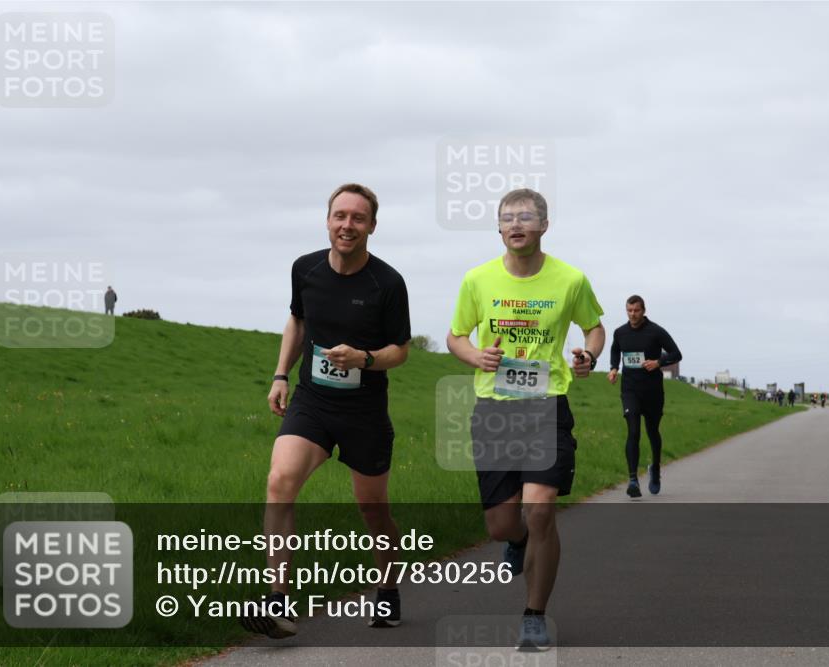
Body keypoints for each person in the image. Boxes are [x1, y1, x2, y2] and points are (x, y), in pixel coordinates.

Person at [240, 184, 411, 639]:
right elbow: (297, 319)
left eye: (358, 218)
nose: (347, 225)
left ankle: (389, 586)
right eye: (340, 216)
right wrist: (280, 374)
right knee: (279, 482)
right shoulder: (306, 268)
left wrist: (365, 359)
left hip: (365, 411)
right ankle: (277, 600)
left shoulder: (387, 283)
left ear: (372, 226)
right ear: (327, 220)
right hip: (313, 402)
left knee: (372, 510)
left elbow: (401, 350)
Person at [447, 188, 604, 651]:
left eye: (527, 218)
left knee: (540, 510)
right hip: (495, 409)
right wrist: (476, 355)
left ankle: (534, 614)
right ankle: (514, 541)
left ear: (544, 226)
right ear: (498, 228)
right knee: (501, 525)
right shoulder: (477, 280)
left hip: (546, 406)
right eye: (508, 218)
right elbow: (456, 336)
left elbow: (594, 326)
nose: (517, 225)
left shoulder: (570, 279)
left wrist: (588, 356)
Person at [607, 295, 682, 498]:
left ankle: (655, 469)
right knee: (633, 431)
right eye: (629, 311)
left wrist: (658, 362)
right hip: (630, 390)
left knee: (652, 432)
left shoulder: (656, 331)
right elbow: (615, 350)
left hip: (652, 391)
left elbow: (676, 353)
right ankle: (632, 480)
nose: (633, 314)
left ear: (643, 310)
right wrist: (614, 368)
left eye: (636, 311)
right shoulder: (620, 332)